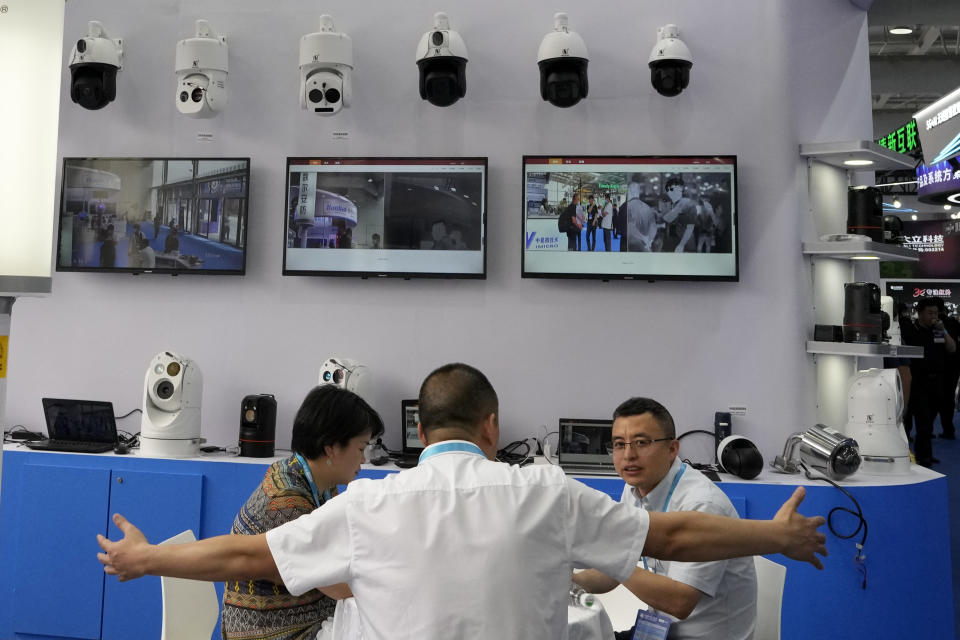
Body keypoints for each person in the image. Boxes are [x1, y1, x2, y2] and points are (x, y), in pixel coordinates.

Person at [97, 363, 827, 640]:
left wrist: (149, 556)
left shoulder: (371, 503)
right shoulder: (545, 492)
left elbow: (245, 555)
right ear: (492, 428)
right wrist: (774, 536)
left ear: (418, 431)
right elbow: (671, 536)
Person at [573, 397, 757, 640]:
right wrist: (568, 581)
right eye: (619, 444)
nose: (628, 455)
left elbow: (679, 602)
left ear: (672, 449)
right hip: (660, 633)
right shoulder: (635, 491)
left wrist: (610, 556)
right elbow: (613, 571)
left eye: (641, 442)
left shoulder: (701, 504)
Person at [222, 385, 384, 640]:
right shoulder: (286, 500)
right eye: (361, 448)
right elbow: (337, 586)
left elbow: (344, 546)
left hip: (305, 617)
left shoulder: (319, 483)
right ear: (331, 447)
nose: (363, 460)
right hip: (272, 631)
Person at [902, 297, 956, 467]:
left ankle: (925, 453)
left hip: (937, 381)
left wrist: (944, 331)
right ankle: (922, 457)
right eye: (930, 312)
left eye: (936, 312)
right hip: (918, 381)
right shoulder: (910, 330)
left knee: (929, 422)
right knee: (922, 421)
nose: (934, 316)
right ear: (920, 313)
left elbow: (952, 348)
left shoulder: (938, 330)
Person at [937, 301, 960, 439]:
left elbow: (939, 345)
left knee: (940, 398)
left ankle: (947, 429)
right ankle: (948, 429)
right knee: (949, 398)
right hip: (954, 365)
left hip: (940, 366)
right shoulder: (954, 322)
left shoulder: (937, 325)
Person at [660, 177, 697, 253]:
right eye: (668, 190)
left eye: (673, 189)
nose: (670, 192)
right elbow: (667, 220)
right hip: (670, 244)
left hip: (685, 245)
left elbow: (690, 227)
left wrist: (681, 245)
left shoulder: (688, 203)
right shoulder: (669, 203)